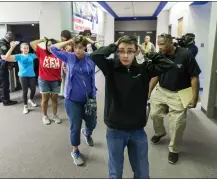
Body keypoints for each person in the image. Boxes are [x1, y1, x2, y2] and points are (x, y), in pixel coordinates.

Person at [90, 35, 175, 178]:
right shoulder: (111, 66)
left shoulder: (144, 67)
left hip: (137, 130)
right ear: (117, 51)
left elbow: (169, 65)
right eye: (121, 51)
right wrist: (114, 46)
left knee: (142, 173)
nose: (125, 55)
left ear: (136, 52)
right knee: (115, 172)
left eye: (130, 51)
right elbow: (95, 55)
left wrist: (147, 52)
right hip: (115, 129)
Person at [149, 33, 201, 164]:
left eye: (162, 44)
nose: (159, 47)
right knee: (154, 114)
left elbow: (194, 77)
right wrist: (148, 90)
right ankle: (160, 132)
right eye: (158, 44)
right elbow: (156, 74)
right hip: (162, 90)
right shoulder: (160, 55)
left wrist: (194, 98)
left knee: (177, 124)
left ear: (170, 43)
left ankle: (174, 149)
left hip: (179, 93)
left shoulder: (185, 55)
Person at [50, 35, 97, 166]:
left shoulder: (90, 57)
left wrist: (91, 41)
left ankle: (87, 133)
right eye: (75, 47)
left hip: (89, 99)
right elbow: (53, 48)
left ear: (85, 47)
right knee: (75, 127)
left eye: (80, 48)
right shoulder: (69, 57)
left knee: (92, 123)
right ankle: (75, 151)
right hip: (73, 100)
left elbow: (103, 50)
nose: (77, 50)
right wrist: (69, 41)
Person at [30, 37, 62, 124]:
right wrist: (42, 40)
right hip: (44, 80)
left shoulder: (60, 53)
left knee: (54, 99)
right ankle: (45, 116)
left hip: (56, 80)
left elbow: (69, 46)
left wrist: (58, 42)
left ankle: (55, 115)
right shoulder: (42, 52)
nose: (50, 47)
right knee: (45, 99)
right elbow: (32, 43)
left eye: (52, 45)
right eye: (48, 45)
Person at [2, 41, 38, 114]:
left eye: (27, 48)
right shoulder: (19, 56)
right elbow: (6, 57)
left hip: (32, 75)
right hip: (22, 76)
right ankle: (25, 106)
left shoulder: (32, 55)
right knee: (25, 91)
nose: (26, 49)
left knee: (33, 89)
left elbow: (41, 53)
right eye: (24, 48)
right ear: (21, 49)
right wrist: (12, 47)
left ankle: (30, 99)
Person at [0, 31, 17, 106]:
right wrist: (16, 59)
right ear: (9, 38)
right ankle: (6, 101)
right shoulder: (3, 44)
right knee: (4, 83)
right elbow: (4, 57)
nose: (12, 40)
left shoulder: (0, 42)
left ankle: (0, 98)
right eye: (12, 39)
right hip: (0, 66)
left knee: (1, 82)